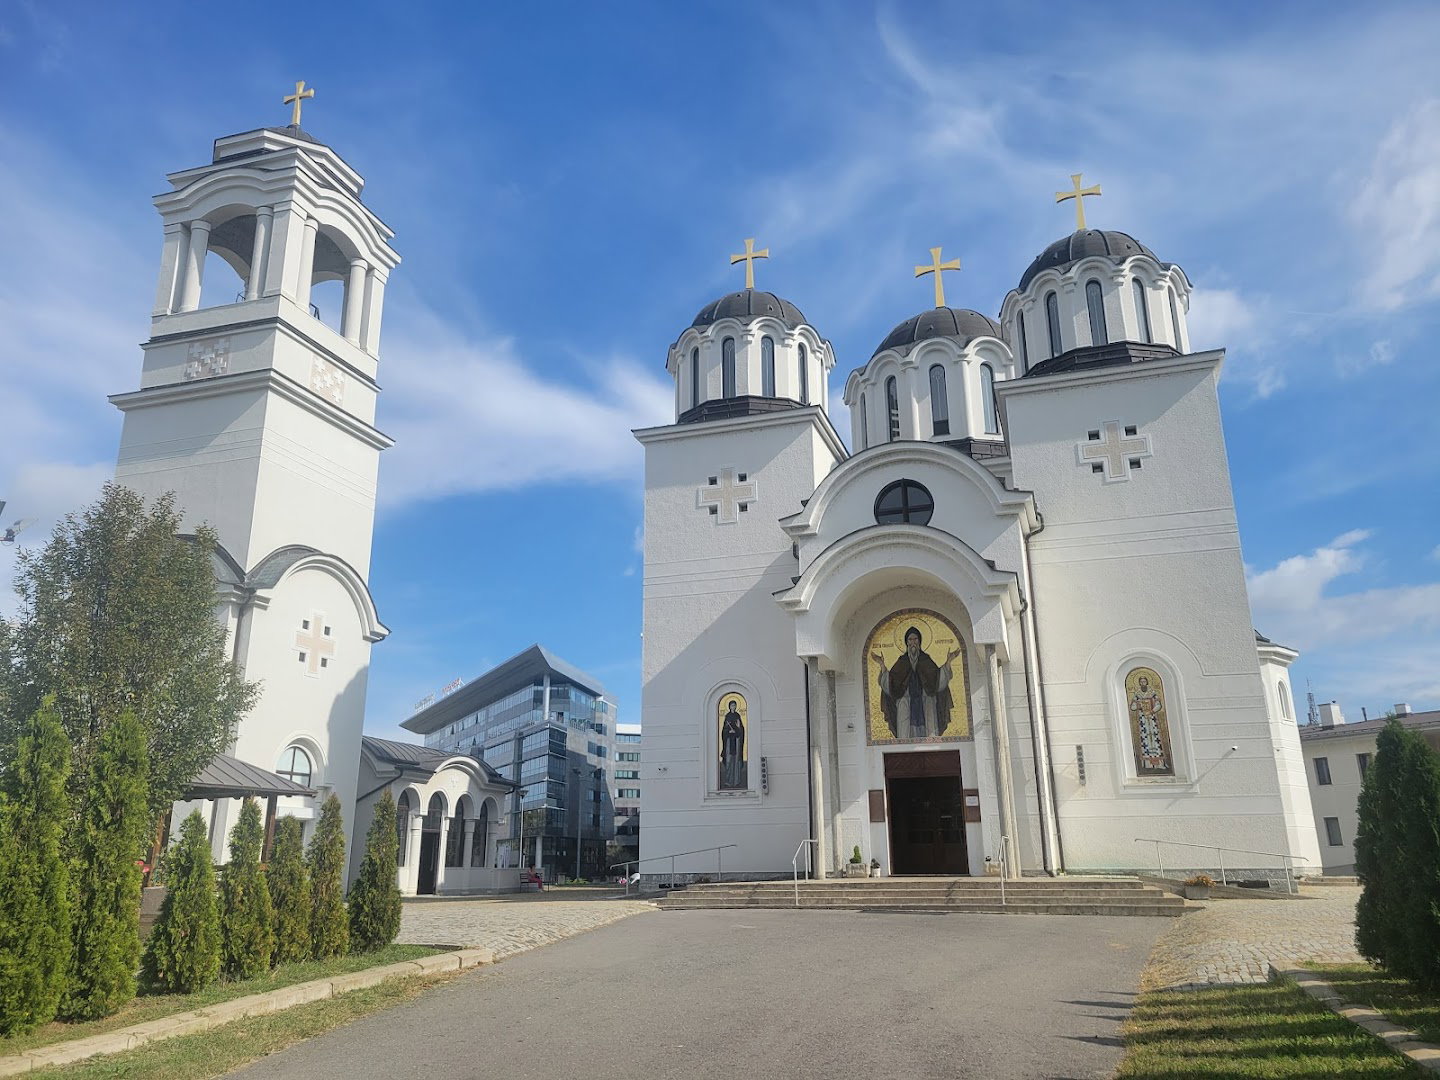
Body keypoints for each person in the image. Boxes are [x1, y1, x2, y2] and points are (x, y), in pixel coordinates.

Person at [874, 626, 959, 739]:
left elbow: (938, 680)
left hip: (925, 699)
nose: (913, 643)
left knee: (929, 706)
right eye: (910, 640)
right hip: (906, 700)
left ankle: (932, 744)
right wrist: (882, 665)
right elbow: (890, 683)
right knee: (903, 707)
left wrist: (948, 662)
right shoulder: (902, 662)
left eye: (915, 639)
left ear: (919, 641)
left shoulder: (926, 660)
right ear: (906, 643)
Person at [719, 699, 747, 789]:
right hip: (729, 742)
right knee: (729, 761)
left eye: (734, 705)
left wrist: (738, 728)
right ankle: (728, 781)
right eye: (732, 706)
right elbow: (723, 731)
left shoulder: (738, 716)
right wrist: (728, 731)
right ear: (729, 707)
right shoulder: (727, 717)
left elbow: (742, 730)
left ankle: (737, 781)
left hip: (737, 741)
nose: (733, 707)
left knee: (736, 761)